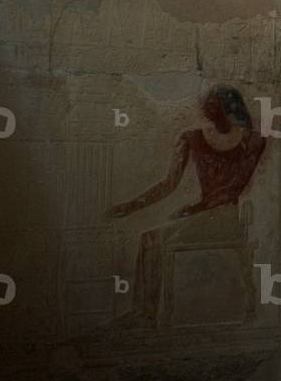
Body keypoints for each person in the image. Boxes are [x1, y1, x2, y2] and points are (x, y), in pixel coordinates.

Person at [110, 85, 268, 325]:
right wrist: (131, 206)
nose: (209, 112)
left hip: (226, 218)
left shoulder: (253, 140)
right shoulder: (192, 138)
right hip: (207, 214)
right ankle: (144, 312)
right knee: (149, 237)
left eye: (215, 107)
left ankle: (145, 314)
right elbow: (169, 183)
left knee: (152, 238)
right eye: (208, 107)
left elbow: (235, 187)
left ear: (229, 108)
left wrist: (195, 207)